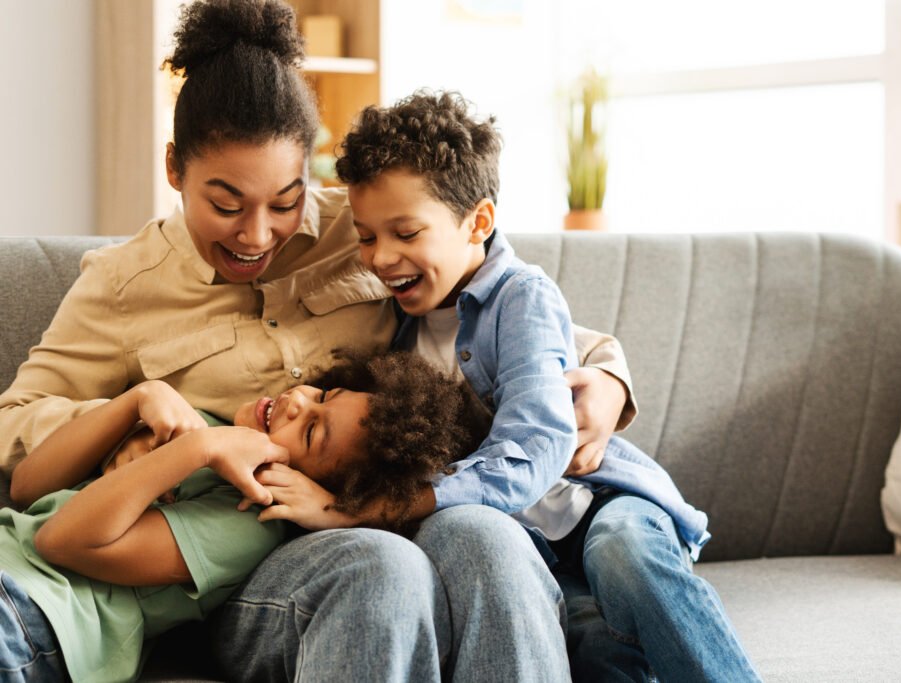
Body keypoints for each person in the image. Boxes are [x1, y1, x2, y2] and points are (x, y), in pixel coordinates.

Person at [0, 1, 635, 680]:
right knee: (380, 565)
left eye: (284, 200)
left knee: (482, 538)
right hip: (234, 557)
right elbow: (16, 425)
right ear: (174, 169)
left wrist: (607, 375)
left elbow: (498, 306)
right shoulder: (121, 285)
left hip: (361, 521)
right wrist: (136, 419)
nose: (256, 235)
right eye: (225, 204)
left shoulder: (363, 229)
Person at [332, 90, 763, 682]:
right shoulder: (394, 330)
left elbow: (537, 445)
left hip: (597, 504)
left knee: (625, 557)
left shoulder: (521, 297)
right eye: (365, 235)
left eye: (406, 232)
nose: (381, 257)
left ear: (478, 222)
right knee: (590, 642)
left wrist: (412, 500)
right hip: (534, 544)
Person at [2, 351, 479, 683]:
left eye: (310, 432)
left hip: (34, 615)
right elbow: (26, 487)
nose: (297, 401)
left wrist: (197, 449)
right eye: (324, 394)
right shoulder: (207, 429)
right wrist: (137, 399)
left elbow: (60, 542)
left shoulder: (247, 521)